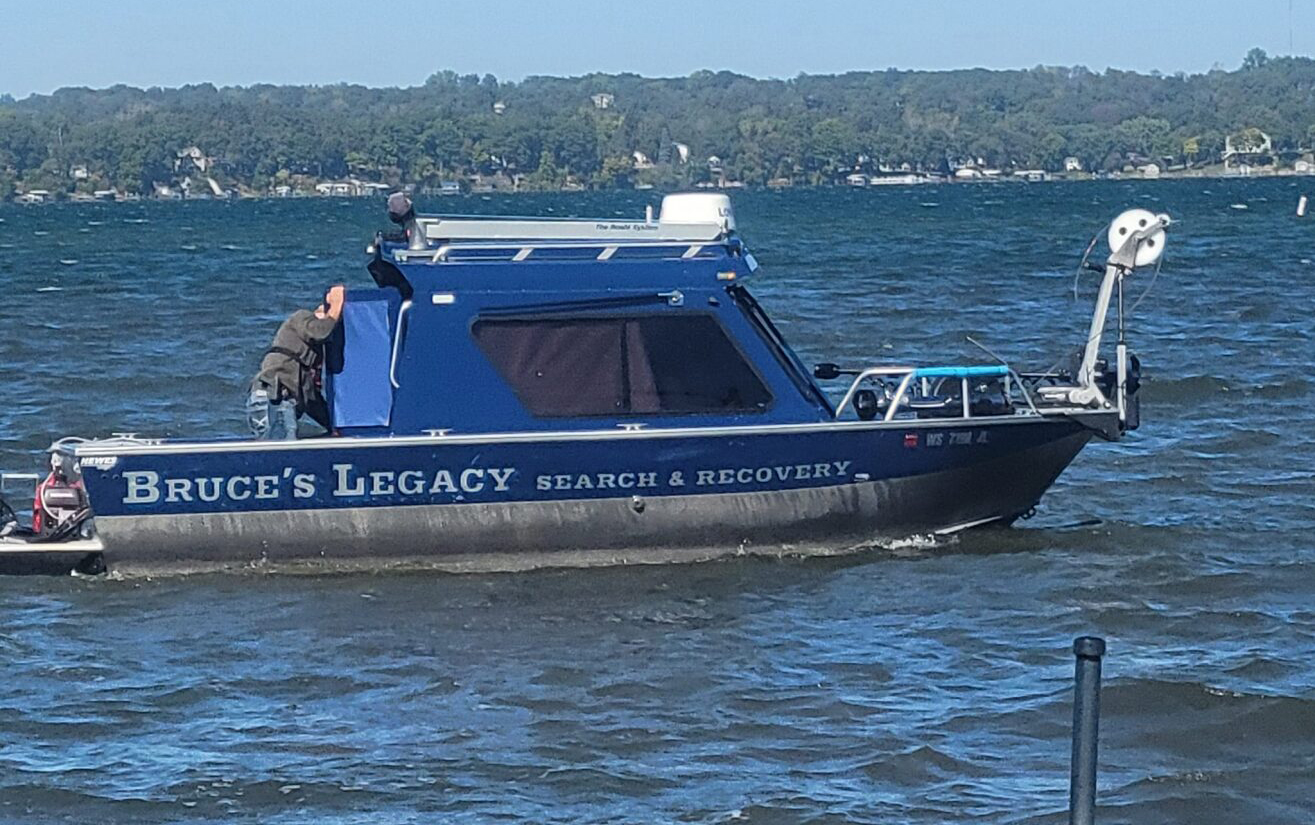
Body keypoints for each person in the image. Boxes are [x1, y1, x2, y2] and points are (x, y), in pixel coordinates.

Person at [246, 285, 345, 440]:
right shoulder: (301, 318)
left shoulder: (305, 362)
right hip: (275, 396)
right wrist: (336, 304)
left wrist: (332, 426)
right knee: (281, 451)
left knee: (278, 449)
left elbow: (312, 399)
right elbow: (321, 331)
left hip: (275, 398)